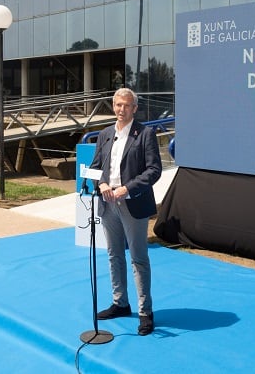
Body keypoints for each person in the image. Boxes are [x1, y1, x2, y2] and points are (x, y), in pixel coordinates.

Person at [89, 87, 162, 336]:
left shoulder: (146, 134)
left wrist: (126, 189)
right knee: (114, 256)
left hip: (133, 203)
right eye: (118, 105)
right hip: (107, 204)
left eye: (126, 105)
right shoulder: (105, 134)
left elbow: (154, 171)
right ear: (113, 106)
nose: (122, 109)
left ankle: (145, 312)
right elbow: (95, 167)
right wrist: (101, 184)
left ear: (135, 108)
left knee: (138, 259)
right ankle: (120, 303)